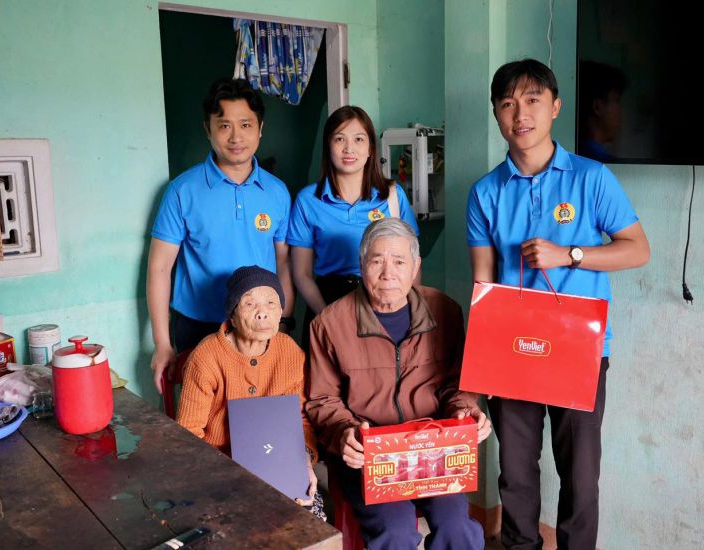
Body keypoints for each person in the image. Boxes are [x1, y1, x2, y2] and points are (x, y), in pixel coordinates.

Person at [466, 59, 650, 549]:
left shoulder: (592, 178)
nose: (519, 113)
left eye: (531, 101)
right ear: (497, 114)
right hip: (512, 350)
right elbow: (483, 287)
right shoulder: (485, 193)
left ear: (554, 107)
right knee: (516, 477)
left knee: (581, 477)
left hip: (580, 349)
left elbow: (637, 248)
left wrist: (570, 253)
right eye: (507, 104)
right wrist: (478, 379)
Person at [306, 217, 492, 550]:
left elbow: (456, 384)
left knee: (457, 528)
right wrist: (345, 433)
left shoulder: (445, 311)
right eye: (376, 261)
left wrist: (466, 413)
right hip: (370, 456)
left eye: (400, 261)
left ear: (416, 266)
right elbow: (322, 400)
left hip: (432, 450)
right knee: (395, 530)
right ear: (362, 266)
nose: (388, 272)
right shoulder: (329, 324)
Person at [148, 78, 294, 393]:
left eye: (245, 124)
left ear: (260, 128)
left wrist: (281, 324)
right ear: (208, 128)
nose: (236, 136)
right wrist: (162, 343)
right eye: (224, 125)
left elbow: (283, 263)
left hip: (260, 325)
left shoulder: (277, 192)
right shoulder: (182, 191)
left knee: (260, 425)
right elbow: (159, 268)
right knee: (199, 425)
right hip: (198, 327)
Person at [176, 265, 324, 520]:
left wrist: (304, 462)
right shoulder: (206, 357)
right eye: (249, 304)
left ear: (281, 312)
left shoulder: (290, 352)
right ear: (232, 316)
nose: (262, 313)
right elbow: (188, 435)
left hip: (280, 465)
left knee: (309, 522)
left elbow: (301, 420)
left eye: (271, 303)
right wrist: (226, 476)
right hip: (221, 471)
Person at [286, 106, 419, 344]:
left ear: (370, 149)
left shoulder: (392, 196)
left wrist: (407, 309)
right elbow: (302, 273)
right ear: (328, 146)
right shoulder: (308, 200)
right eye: (339, 139)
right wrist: (327, 316)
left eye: (359, 139)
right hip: (327, 301)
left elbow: (411, 262)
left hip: (383, 298)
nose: (349, 149)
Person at [577, 60, 628, 163]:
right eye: (616, 100)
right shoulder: (606, 166)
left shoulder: (569, 154)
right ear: (597, 107)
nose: (619, 110)